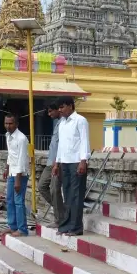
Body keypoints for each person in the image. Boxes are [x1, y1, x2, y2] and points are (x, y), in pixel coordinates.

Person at [53, 96, 89, 237]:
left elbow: (85, 141)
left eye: (62, 107)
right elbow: (61, 145)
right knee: (66, 194)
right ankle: (66, 225)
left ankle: (76, 227)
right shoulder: (62, 123)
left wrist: (83, 161)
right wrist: (57, 163)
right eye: (59, 108)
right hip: (65, 163)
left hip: (76, 162)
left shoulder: (80, 120)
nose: (60, 110)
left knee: (76, 195)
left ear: (70, 106)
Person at [37, 101, 65, 228]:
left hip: (58, 163)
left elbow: (63, 145)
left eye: (50, 111)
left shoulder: (64, 123)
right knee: (42, 186)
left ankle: (60, 218)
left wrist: (57, 163)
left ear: (57, 110)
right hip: (51, 162)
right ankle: (61, 210)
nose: (49, 114)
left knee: (55, 190)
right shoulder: (58, 124)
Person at [3, 113, 30, 237]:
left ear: (16, 124)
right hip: (11, 172)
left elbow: (21, 159)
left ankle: (22, 229)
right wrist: (6, 168)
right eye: (6, 123)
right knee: (9, 200)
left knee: (18, 201)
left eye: (10, 123)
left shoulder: (22, 138)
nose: (8, 126)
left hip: (20, 174)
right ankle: (12, 226)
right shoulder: (8, 136)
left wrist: (18, 180)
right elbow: (11, 154)